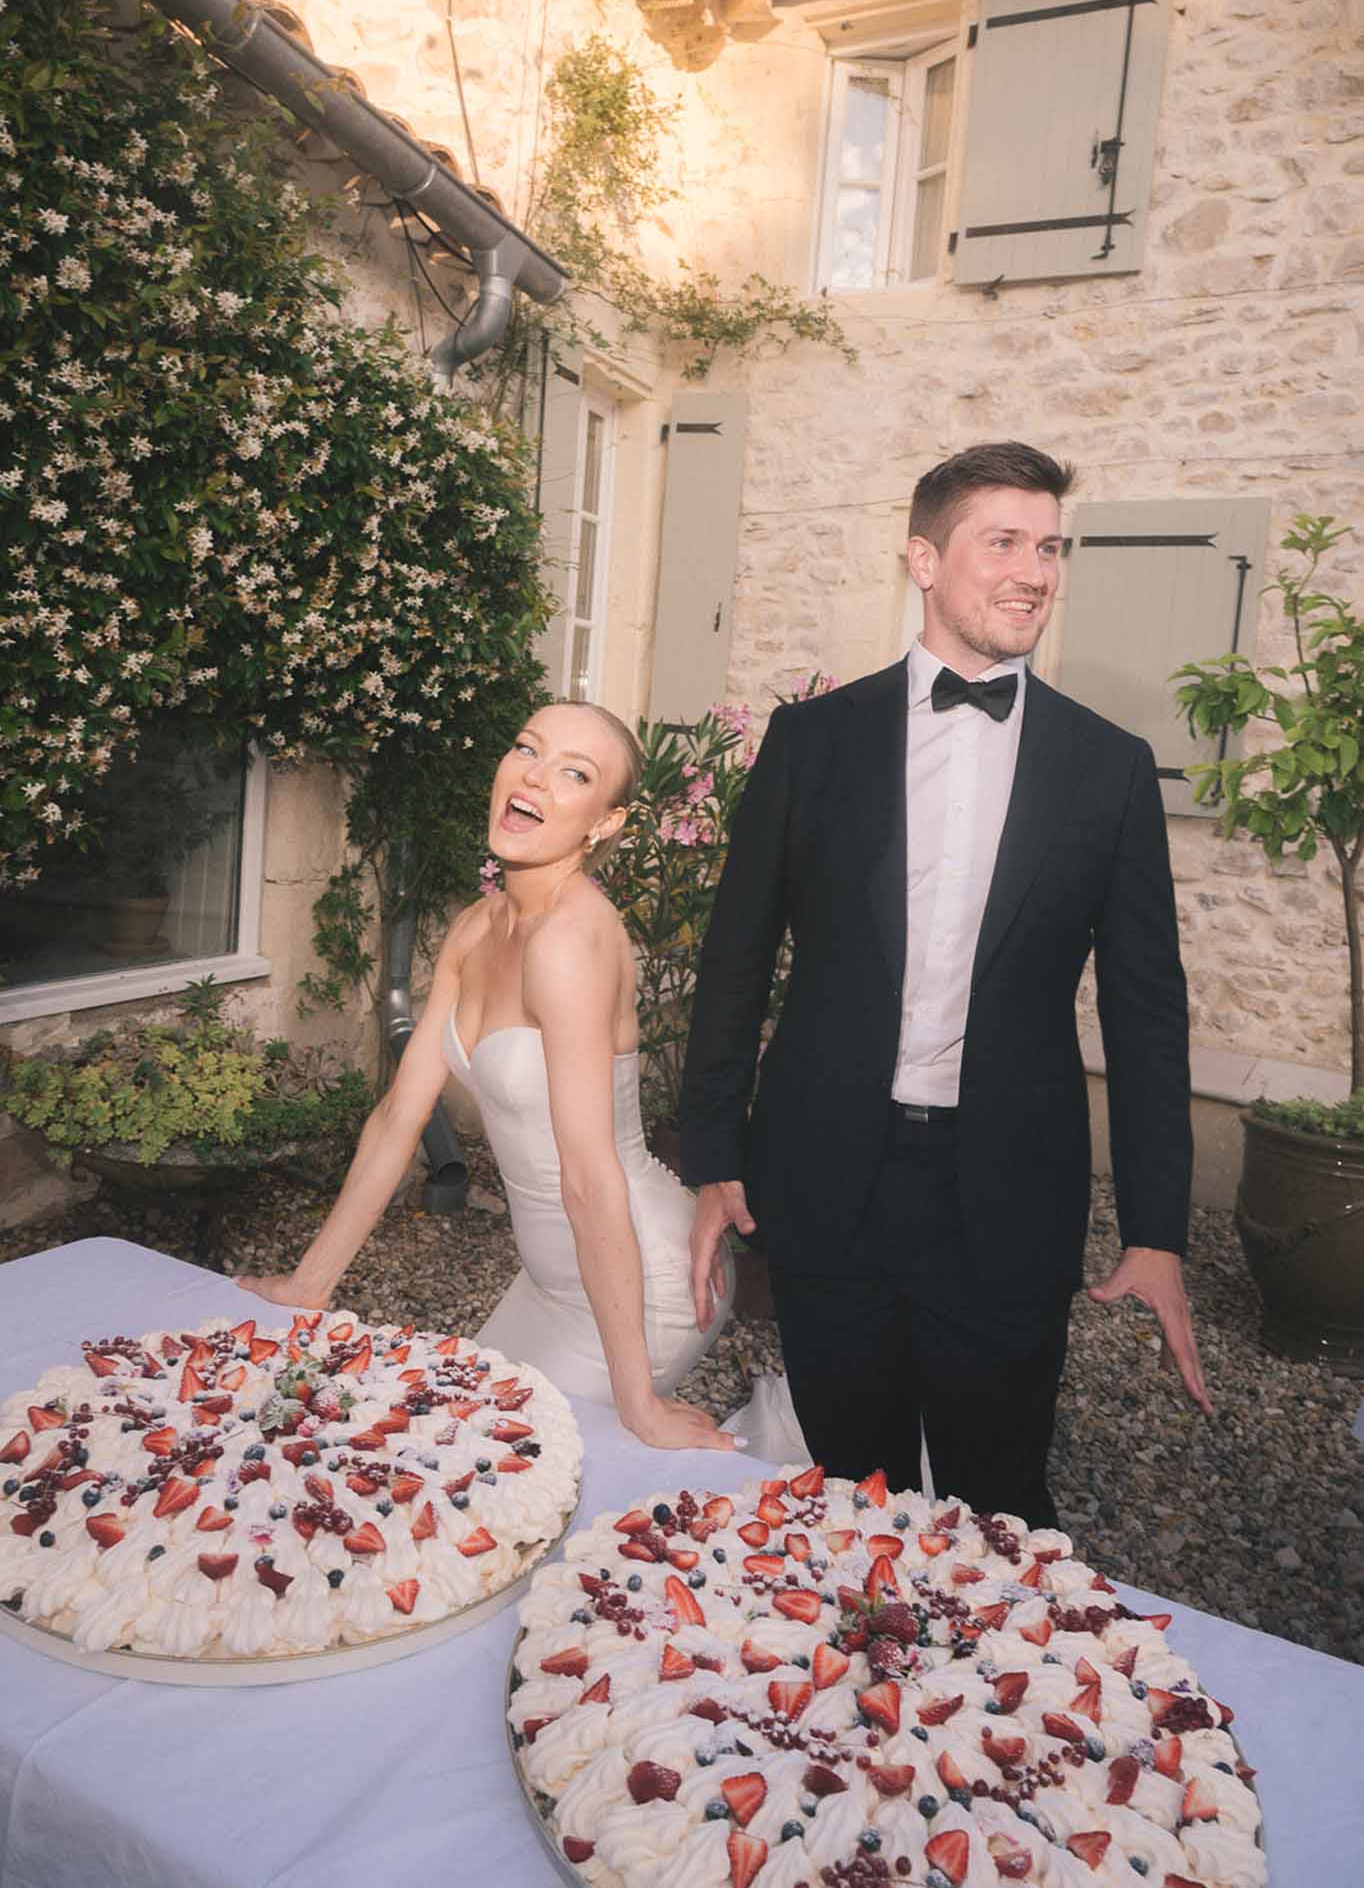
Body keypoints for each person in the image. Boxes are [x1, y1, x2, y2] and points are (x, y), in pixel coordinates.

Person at [681, 441, 1211, 1529]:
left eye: (1049, 547)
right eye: (1003, 542)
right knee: (850, 1492)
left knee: (998, 1501)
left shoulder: (1106, 766)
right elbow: (734, 957)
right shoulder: (809, 740)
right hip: (828, 1176)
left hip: (1008, 1193)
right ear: (921, 558)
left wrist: (1155, 1230)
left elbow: (1145, 1009)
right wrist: (711, 1156)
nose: (1034, 571)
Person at [241, 701, 738, 1454]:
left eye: (574, 773)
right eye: (526, 747)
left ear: (604, 824)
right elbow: (397, 1118)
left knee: (494, 1474)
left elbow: (588, 1177)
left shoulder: (572, 941)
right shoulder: (478, 926)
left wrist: (637, 1401)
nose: (533, 775)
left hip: (645, 1284)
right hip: (547, 1279)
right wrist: (310, 1286)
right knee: (451, 1457)